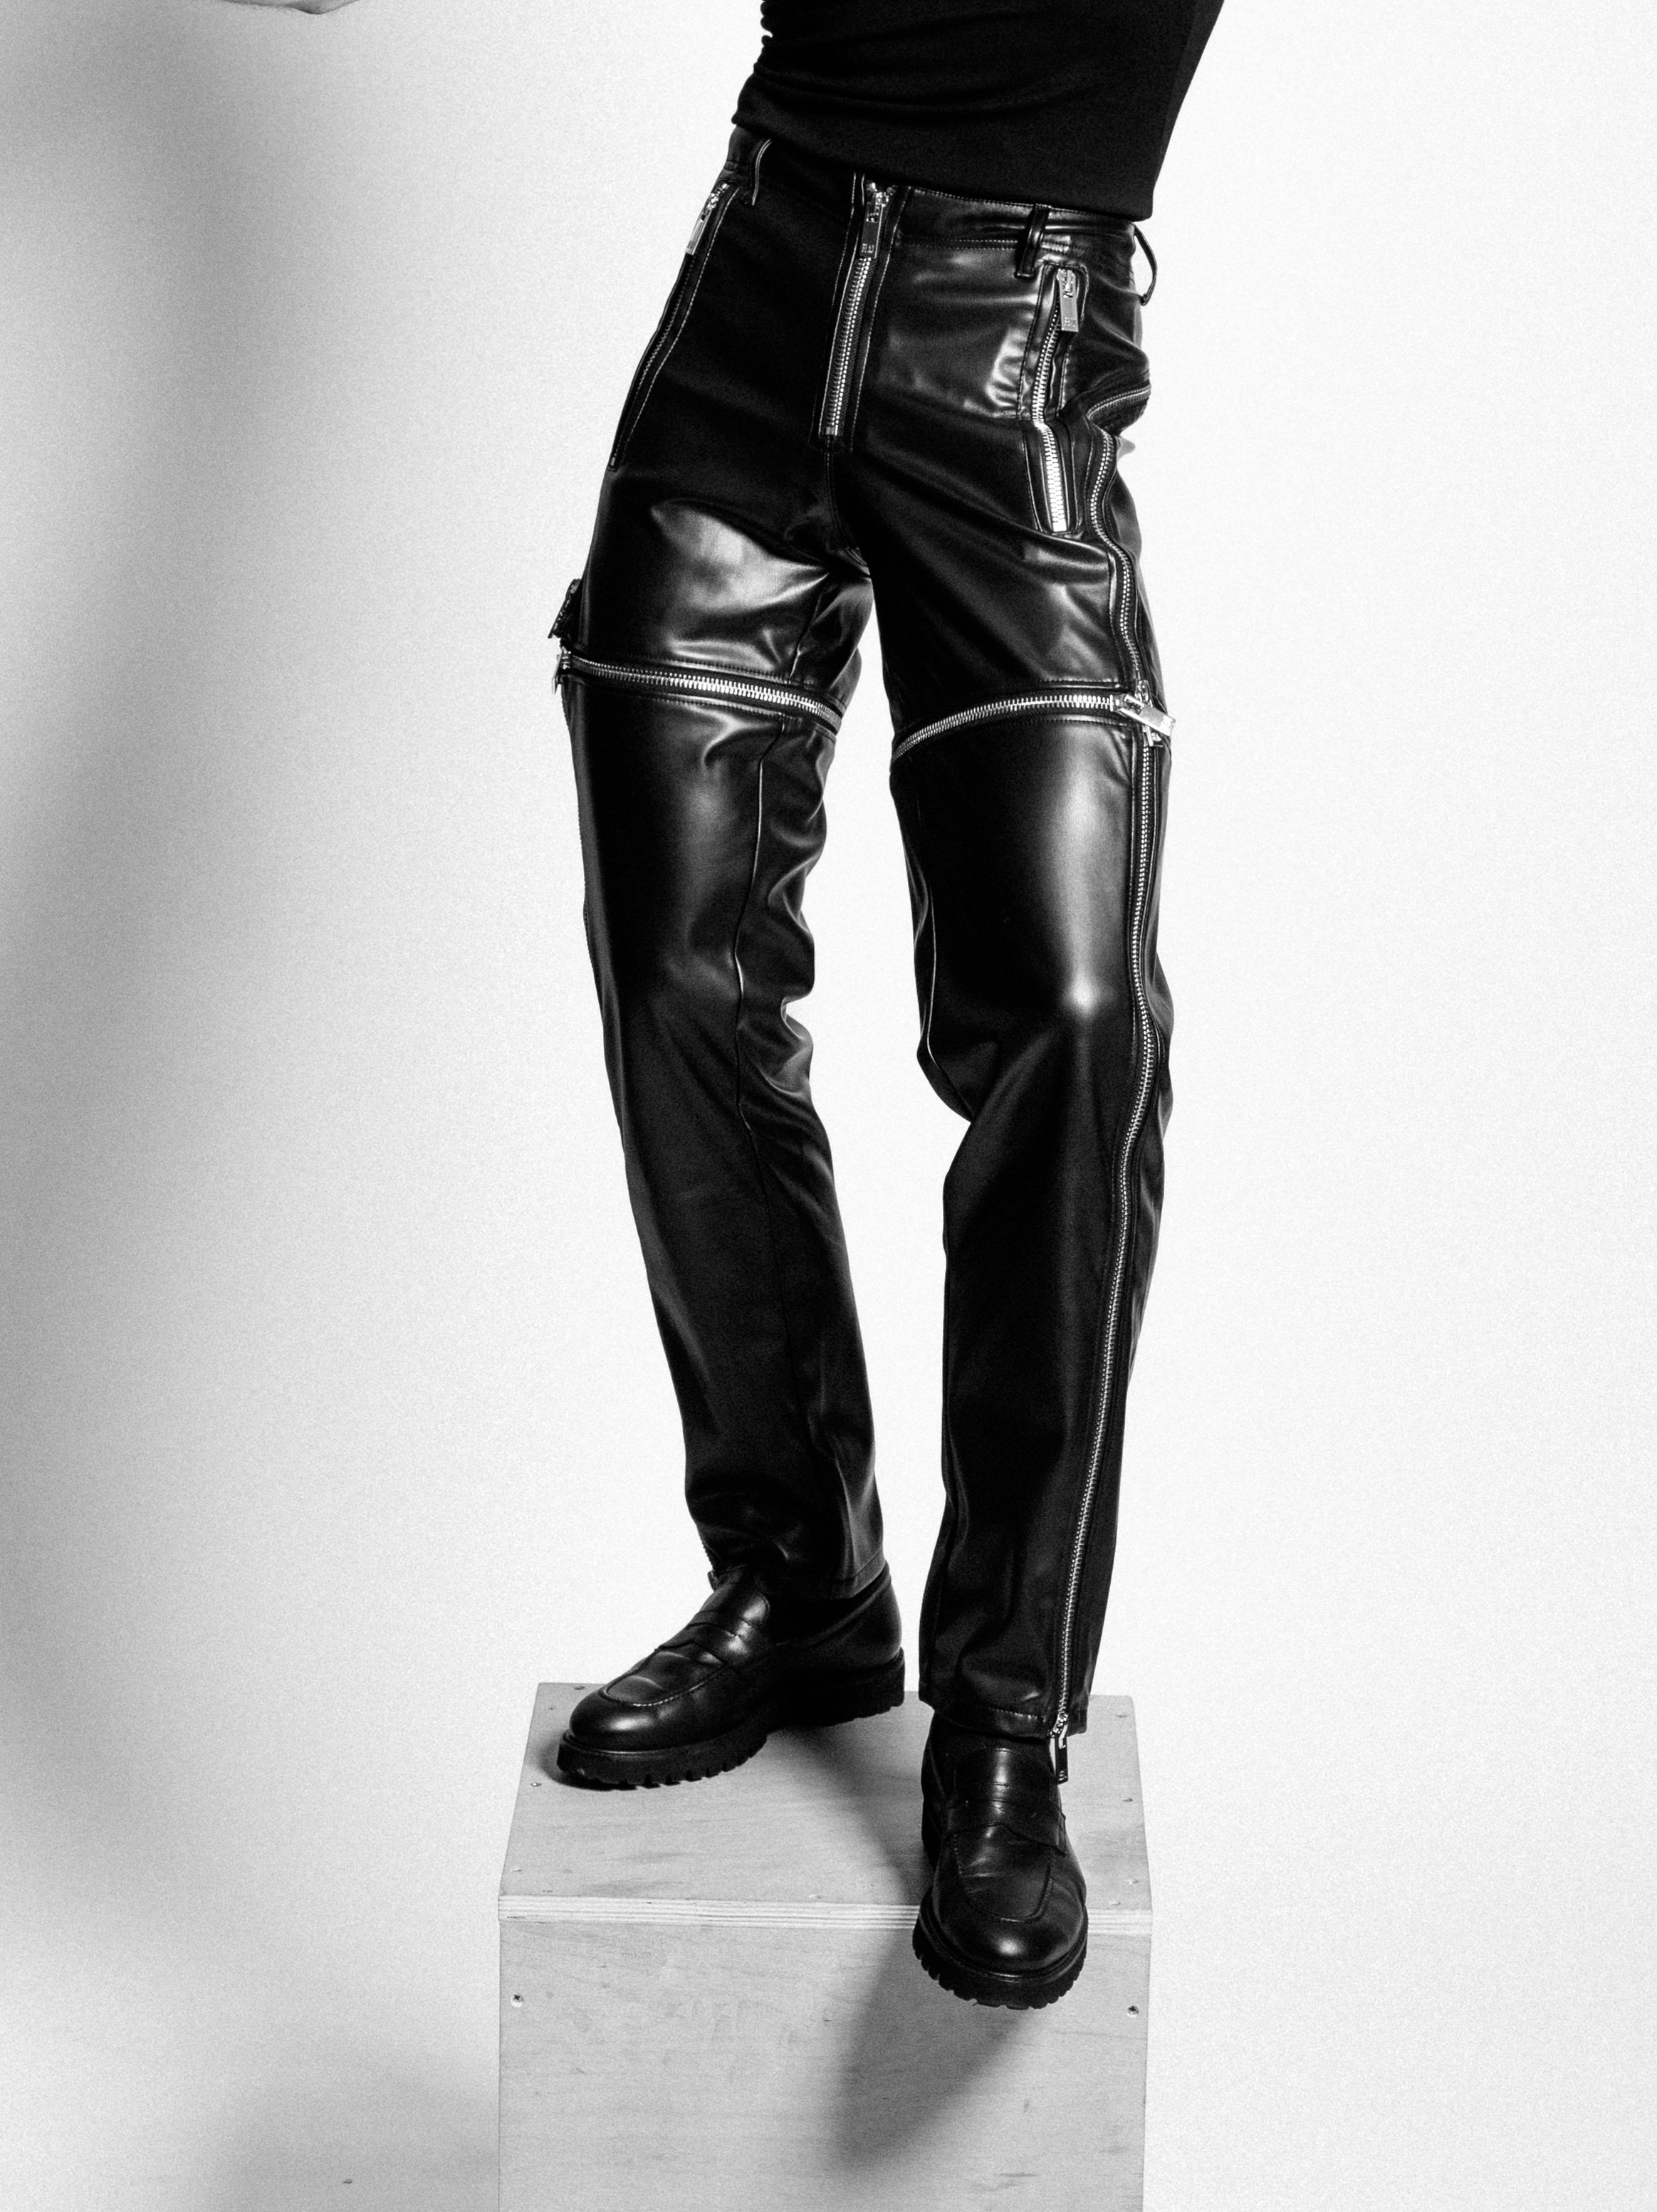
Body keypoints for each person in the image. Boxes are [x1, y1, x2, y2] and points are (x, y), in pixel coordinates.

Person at [241, 0, 1224, 2012]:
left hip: (1014, 369)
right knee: (677, 973)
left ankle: (1005, 1716)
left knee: (1073, 1014)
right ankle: (799, 1574)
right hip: (754, 316)